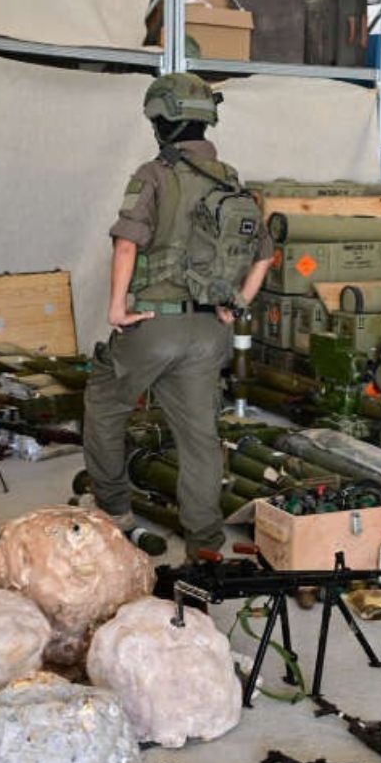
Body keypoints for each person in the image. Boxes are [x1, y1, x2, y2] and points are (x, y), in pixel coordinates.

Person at [81, 72, 273, 559]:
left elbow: (127, 243)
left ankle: (114, 510)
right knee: (200, 437)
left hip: (153, 325)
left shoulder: (154, 174)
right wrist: (237, 304)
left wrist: (117, 307)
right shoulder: (230, 179)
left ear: (161, 122)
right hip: (209, 332)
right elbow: (265, 255)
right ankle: (205, 545)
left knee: (104, 405)